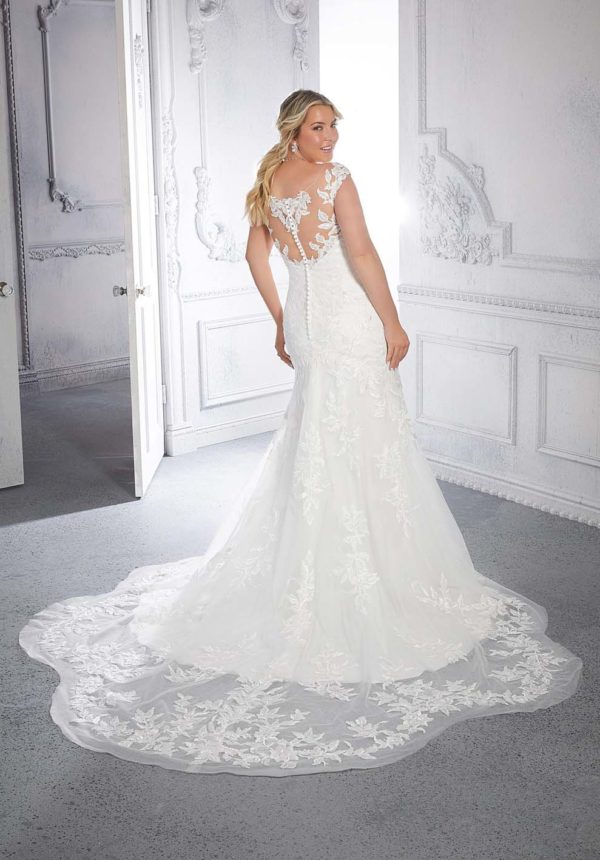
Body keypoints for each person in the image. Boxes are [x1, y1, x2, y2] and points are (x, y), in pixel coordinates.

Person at [19, 89, 583, 776]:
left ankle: (326, 556)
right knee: (364, 435)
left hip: (310, 323)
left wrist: (280, 321)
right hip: (345, 319)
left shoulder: (269, 184)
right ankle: (366, 569)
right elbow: (363, 253)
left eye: (334, 126)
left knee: (322, 435)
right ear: (293, 131)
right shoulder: (334, 180)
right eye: (319, 127)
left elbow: (257, 259)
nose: (331, 137)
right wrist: (394, 322)